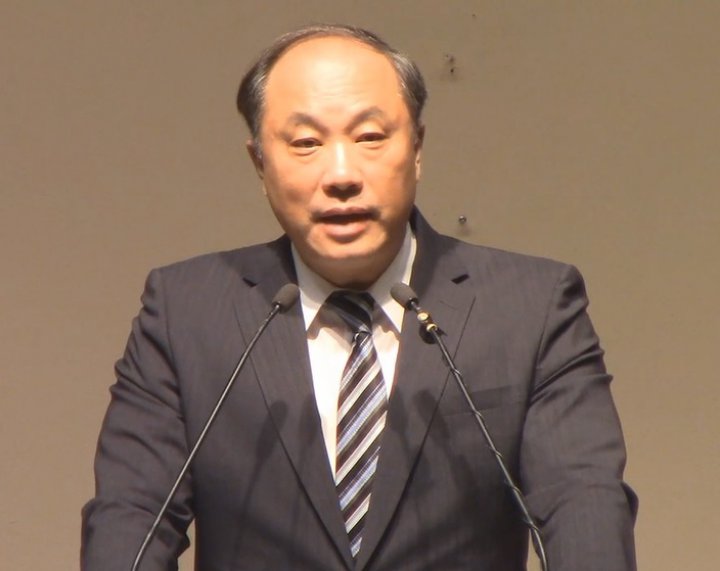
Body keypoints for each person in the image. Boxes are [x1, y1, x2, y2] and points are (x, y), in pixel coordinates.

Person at [81, 24, 637, 571]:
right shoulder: (186, 311)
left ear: (416, 148)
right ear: (259, 163)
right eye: (306, 143)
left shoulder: (532, 307)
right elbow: (130, 519)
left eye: (370, 137)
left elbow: (584, 509)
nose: (341, 174)